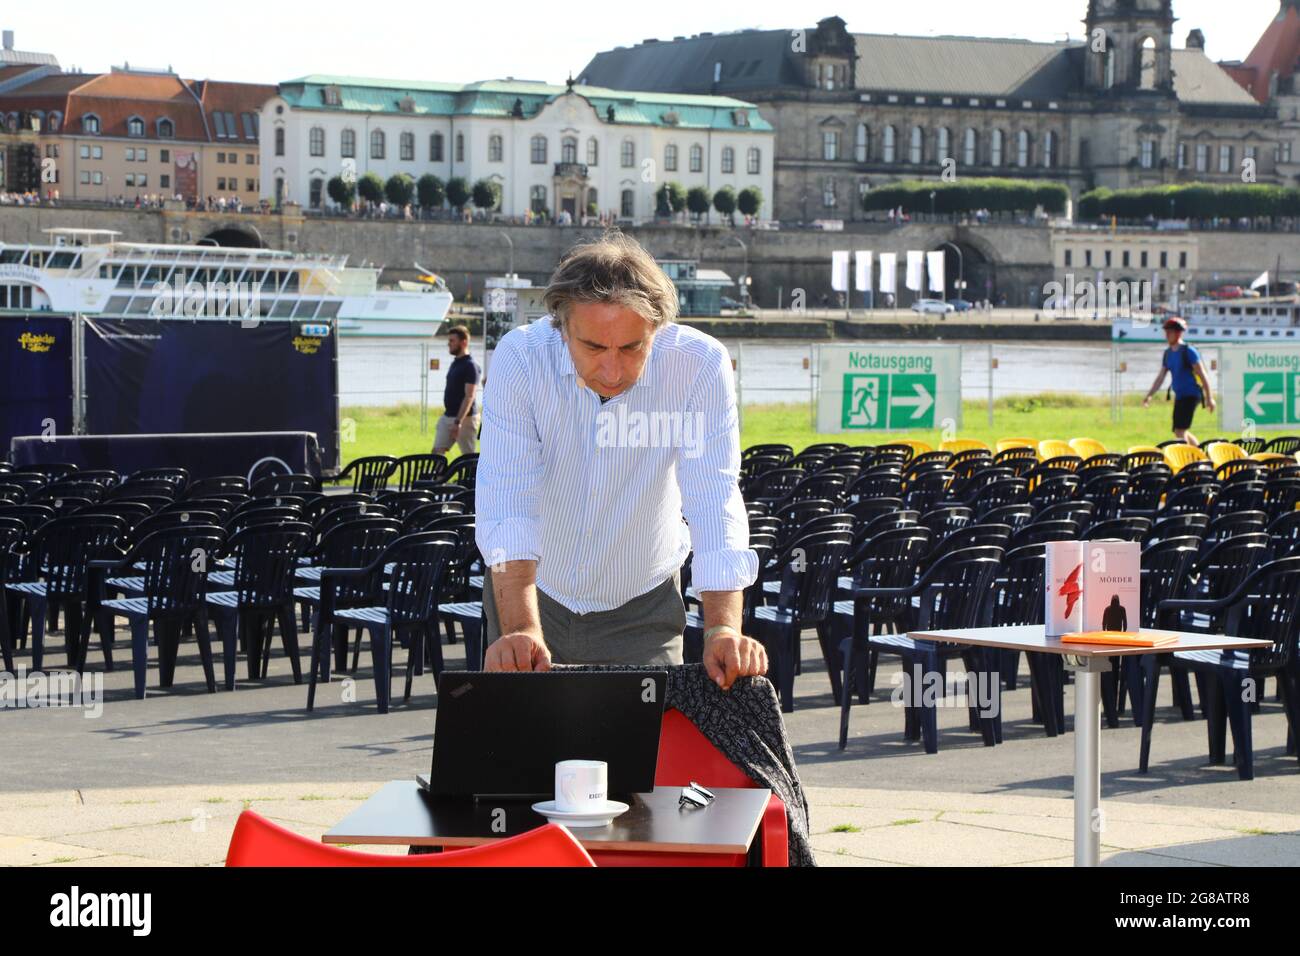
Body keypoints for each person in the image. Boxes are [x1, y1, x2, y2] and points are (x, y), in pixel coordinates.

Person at [475, 231, 766, 689]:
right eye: (593, 347)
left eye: (631, 349)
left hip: (642, 603)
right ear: (561, 325)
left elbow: (714, 498)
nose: (612, 371)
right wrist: (518, 628)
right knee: (526, 756)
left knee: (645, 756)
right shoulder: (521, 358)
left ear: (658, 329)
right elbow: (507, 500)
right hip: (532, 594)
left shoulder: (700, 365)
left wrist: (723, 627)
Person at [1142, 317, 1215, 446]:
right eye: (1166, 332)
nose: (1166, 335)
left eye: (1169, 332)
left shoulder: (1188, 351)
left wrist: (1209, 398)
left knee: (1180, 431)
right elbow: (1160, 378)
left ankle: (1188, 459)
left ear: (1178, 333)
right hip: (1180, 396)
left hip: (1192, 395)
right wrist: (1149, 395)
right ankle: (1200, 454)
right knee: (1179, 431)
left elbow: (1203, 375)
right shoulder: (1168, 354)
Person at [432, 326, 481, 456]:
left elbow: (469, 396)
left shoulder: (471, 366)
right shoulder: (455, 363)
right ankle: (437, 477)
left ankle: (471, 477)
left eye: (452, 340)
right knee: (436, 454)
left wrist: (458, 422)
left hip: (465, 419)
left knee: (468, 457)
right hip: (448, 416)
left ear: (463, 342)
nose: (449, 343)